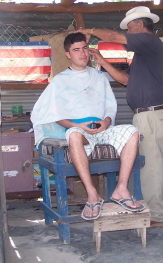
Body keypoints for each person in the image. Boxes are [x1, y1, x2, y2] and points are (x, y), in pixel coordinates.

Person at [31, 32, 144, 221]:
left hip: (102, 129)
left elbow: (110, 107)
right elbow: (56, 115)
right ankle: (92, 194)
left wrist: (106, 122)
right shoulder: (61, 80)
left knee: (132, 132)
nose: (82, 54)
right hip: (79, 130)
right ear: (68, 54)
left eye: (84, 48)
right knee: (74, 135)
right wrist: (78, 125)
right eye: (76, 50)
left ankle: (121, 189)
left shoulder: (99, 77)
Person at [78, 6, 163, 227]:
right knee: (148, 165)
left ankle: (158, 215)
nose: (128, 33)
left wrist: (89, 30)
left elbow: (113, 37)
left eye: (130, 28)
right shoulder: (143, 55)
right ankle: (150, 209)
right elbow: (126, 80)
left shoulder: (150, 42)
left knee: (152, 166)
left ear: (140, 25)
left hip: (151, 115)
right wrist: (102, 61)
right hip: (146, 115)